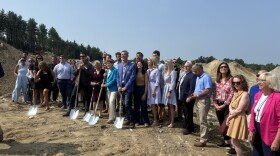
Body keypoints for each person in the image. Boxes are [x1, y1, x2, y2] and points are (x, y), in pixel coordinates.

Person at [249, 72, 280, 156]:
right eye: (258, 80)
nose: (258, 82)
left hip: (270, 134)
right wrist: (251, 130)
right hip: (257, 132)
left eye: (262, 80)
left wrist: (277, 141)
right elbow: (253, 114)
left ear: (270, 82)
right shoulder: (258, 95)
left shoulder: (277, 98)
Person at [225, 74, 250, 156]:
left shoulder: (245, 94)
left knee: (235, 141)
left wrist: (229, 117)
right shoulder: (236, 93)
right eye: (234, 83)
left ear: (242, 83)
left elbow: (239, 110)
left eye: (238, 83)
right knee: (233, 140)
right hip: (234, 117)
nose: (235, 84)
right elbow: (230, 105)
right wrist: (231, 112)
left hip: (238, 118)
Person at [213, 62, 234, 149]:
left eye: (225, 67)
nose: (223, 68)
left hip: (227, 105)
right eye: (221, 67)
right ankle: (226, 142)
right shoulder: (217, 80)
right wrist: (215, 104)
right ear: (219, 69)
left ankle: (232, 144)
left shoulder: (231, 80)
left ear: (228, 68)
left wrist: (225, 105)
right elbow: (214, 93)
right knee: (221, 123)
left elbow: (232, 93)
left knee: (227, 124)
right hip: (218, 103)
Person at [190, 64, 212, 147]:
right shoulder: (198, 77)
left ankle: (203, 140)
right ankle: (202, 136)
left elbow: (208, 90)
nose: (194, 73)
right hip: (198, 100)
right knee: (200, 119)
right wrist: (194, 94)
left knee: (203, 120)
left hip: (203, 100)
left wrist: (198, 95)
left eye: (195, 71)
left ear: (200, 69)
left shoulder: (206, 77)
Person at [116, 50, 136, 128]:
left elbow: (132, 77)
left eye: (124, 54)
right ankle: (127, 118)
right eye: (122, 54)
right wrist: (118, 86)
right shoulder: (119, 65)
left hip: (128, 87)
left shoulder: (132, 65)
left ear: (127, 56)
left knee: (127, 104)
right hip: (121, 87)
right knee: (124, 104)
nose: (123, 56)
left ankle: (132, 121)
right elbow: (117, 76)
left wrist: (126, 87)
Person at [178, 61, 196, 135]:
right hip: (183, 97)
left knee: (188, 113)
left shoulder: (192, 76)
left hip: (188, 98)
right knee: (186, 113)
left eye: (187, 66)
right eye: (185, 66)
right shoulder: (185, 74)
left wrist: (189, 97)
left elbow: (192, 88)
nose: (185, 67)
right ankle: (189, 126)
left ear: (191, 67)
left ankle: (188, 128)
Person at [161, 60, 177, 128]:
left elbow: (173, 83)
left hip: (170, 89)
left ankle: (172, 122)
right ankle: (170, 120)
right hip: (165, 88)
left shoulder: (173, 72)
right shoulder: (164, 72)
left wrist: (170, 91)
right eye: (164, 64)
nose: (165, 65)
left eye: (166, 64)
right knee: (168, 105)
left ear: (169, 65)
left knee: (171, 106)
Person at [134, 60, 149, 127]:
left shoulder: (145, 73)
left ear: (142, 65)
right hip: (136, 90)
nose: (139, 65)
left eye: (140, 64)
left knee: (143, 107)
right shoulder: (135, 72)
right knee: (136, 107)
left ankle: (145, 121)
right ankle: (137, 121)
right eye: (138, 64)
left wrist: (145, 94)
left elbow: (146, 84)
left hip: (143, 89)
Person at [147, 56, 161, 126]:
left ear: (152, 61)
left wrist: (154, 90)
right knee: (152, 105)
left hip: (154, 88)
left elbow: (157, 81)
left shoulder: (156, 70)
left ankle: (156, 120)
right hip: (149, 87)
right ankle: (154, 119)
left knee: (154, 104)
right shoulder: (148, 70)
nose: (148, 62)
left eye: (149, 60)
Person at [101, 59, 117, 124]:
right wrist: (104, 76)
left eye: (109, 63)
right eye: (107, 64)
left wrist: (106, 85)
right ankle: (114, 116)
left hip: (114, 89)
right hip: (108, 89)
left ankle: (110, 118)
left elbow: (114, 80)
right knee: (111, 103)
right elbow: (106, 78)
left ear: (112, 64)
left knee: (111, 102)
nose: (108, 65)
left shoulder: (115, 70)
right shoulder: (107, 71)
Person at [152, 50, 165, 121]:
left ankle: (161, 118)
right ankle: (156, 116)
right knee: (154, 103)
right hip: (153, 87)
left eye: (155, 56)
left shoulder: (161, 65)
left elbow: (163, 76)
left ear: (158, 56)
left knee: (161, 103)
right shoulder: (151, 65)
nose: (153, 57)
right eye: (153, 56)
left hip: (160, 86)